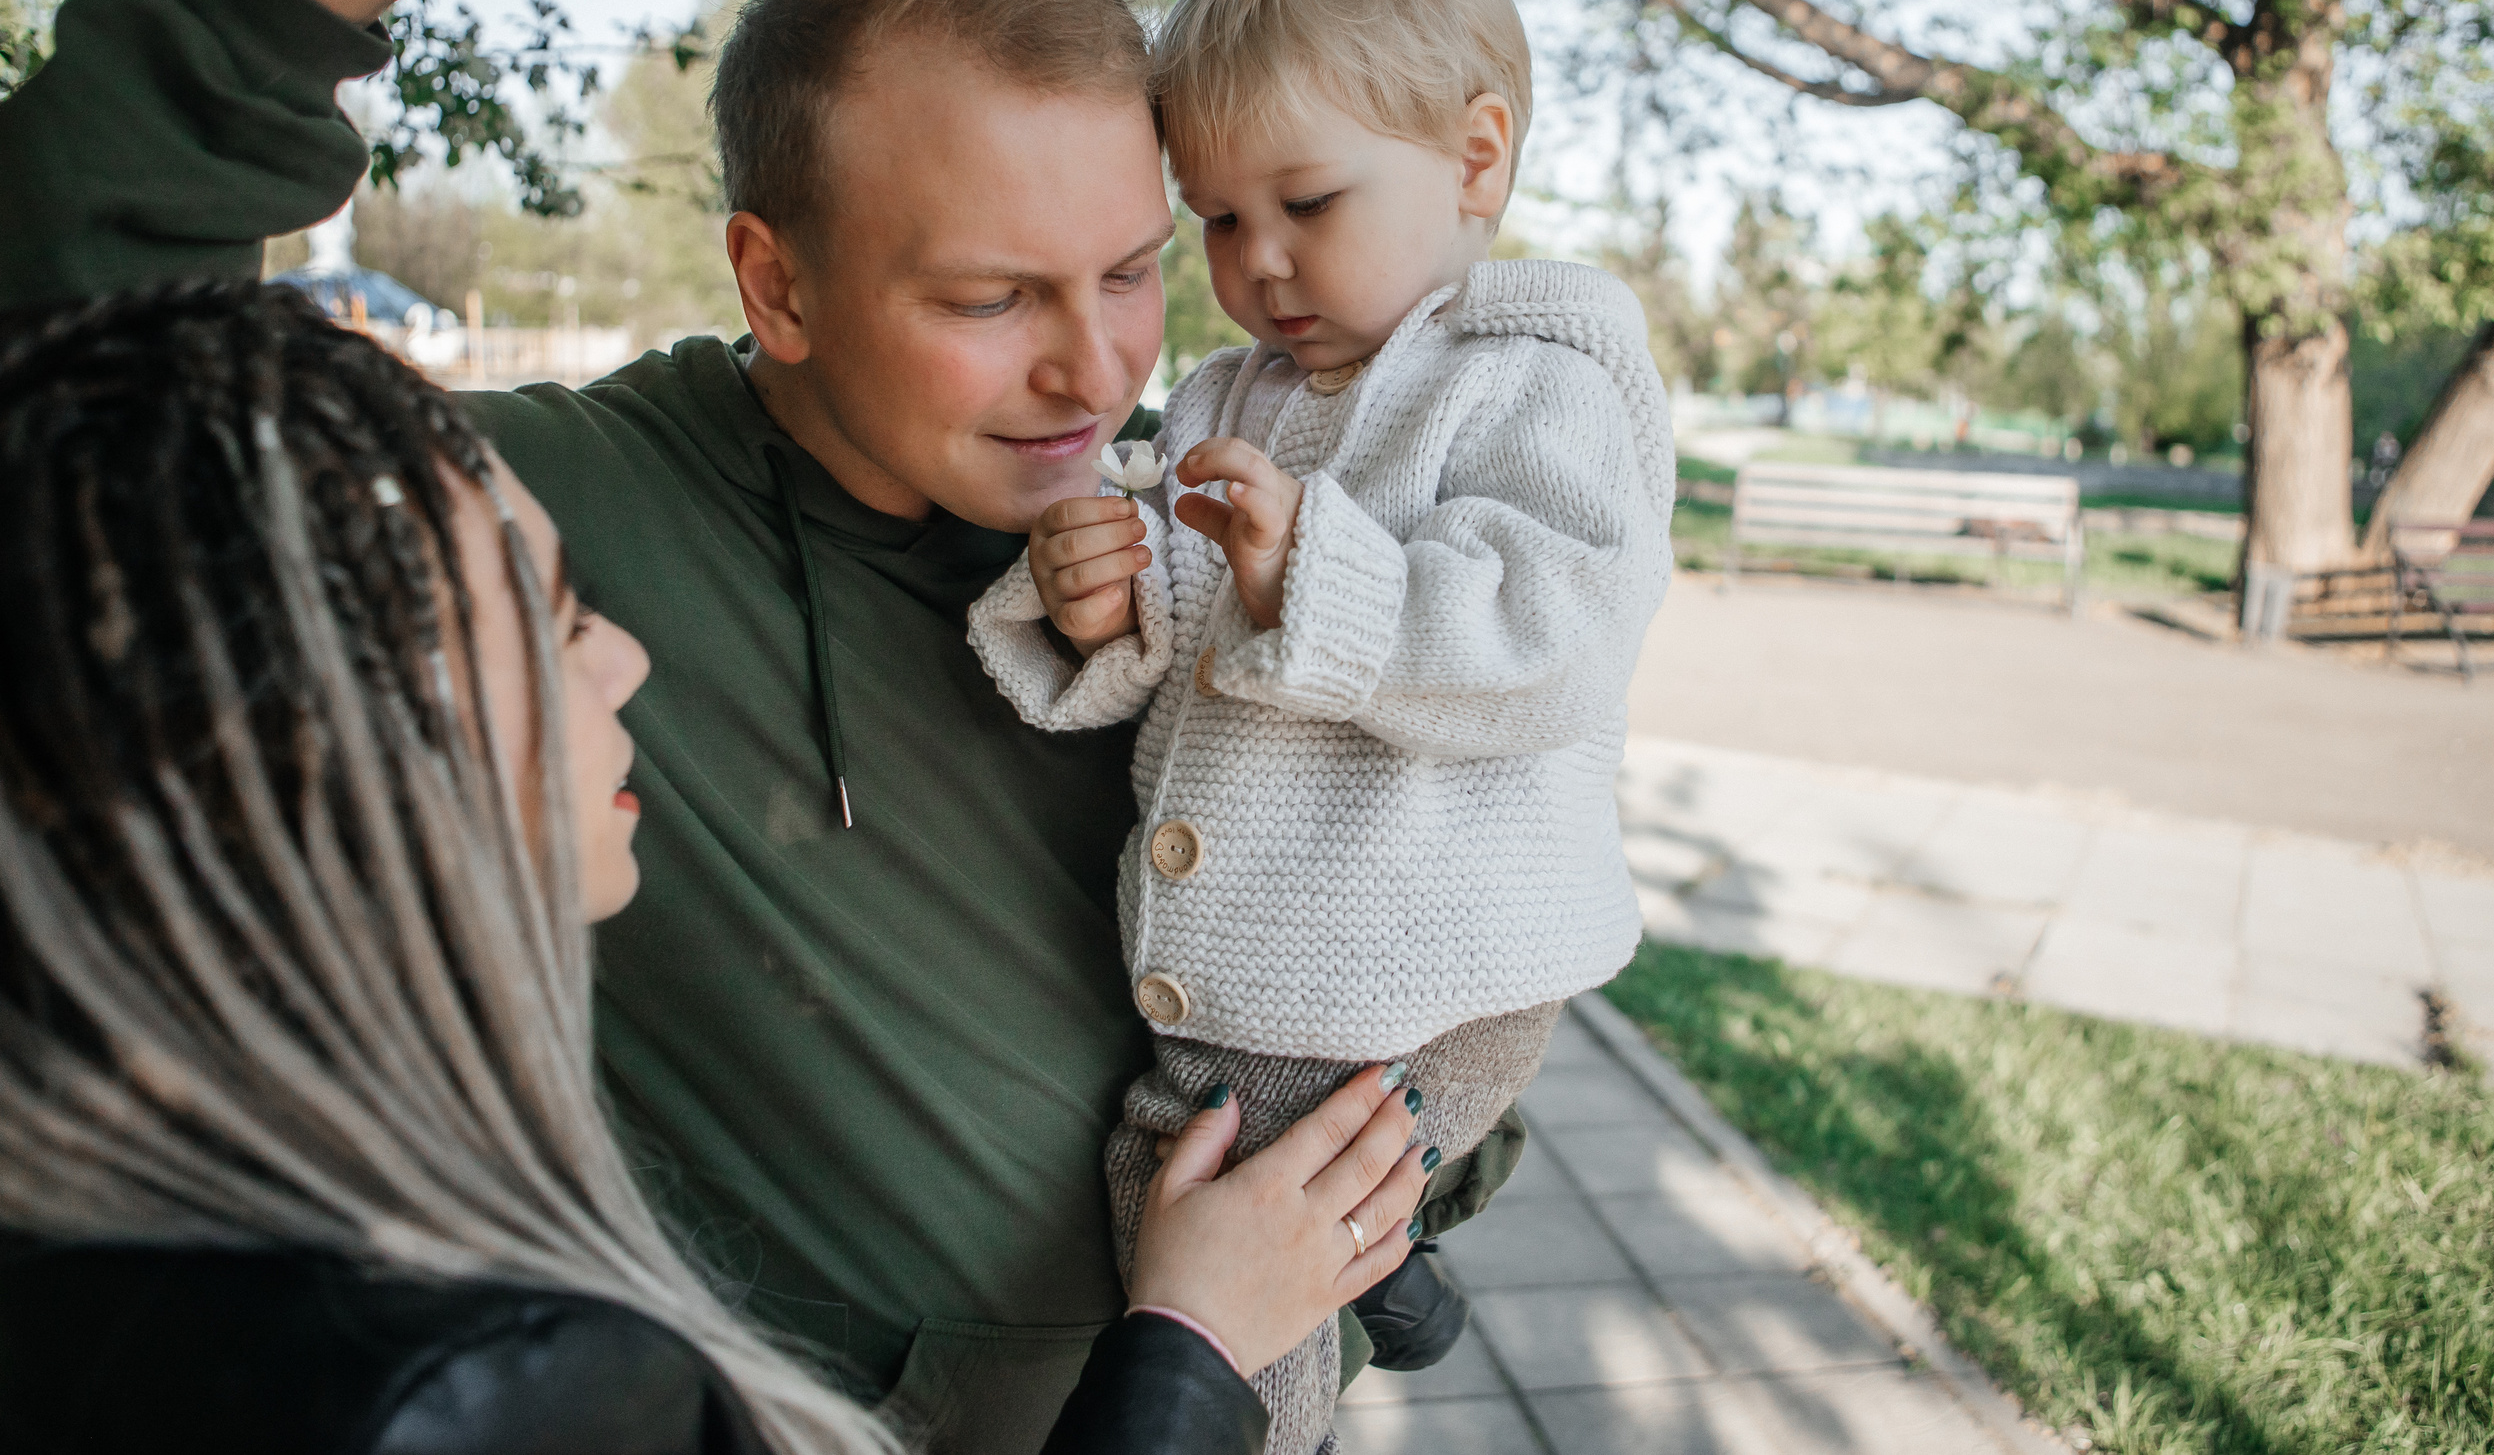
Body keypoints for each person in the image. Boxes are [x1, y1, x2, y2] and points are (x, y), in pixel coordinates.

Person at [0, 0, 1526, 1443]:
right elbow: (79, 438)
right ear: (775, 282)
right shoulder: (540, 532)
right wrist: (281, 13)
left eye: (1126, 272)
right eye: (990, 296)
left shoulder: (1200, 523)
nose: (1094, 371)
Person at [0, 279, 1432, 1453]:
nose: (620, 656)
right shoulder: (483, 1388)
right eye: (556, 625)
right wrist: (1192, 1352)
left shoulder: (165, 1230)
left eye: (1130, 268)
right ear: (334, 737)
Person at [968, 0, 1673, 1453]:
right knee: (1249, 1174)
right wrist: (1102, 604)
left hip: (1417, 960)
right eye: (1217, 219)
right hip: (1327, 959)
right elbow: (1187, 618)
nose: (1260, 261)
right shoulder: (1235, 388)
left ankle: (1267, 1413)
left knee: (1196, 1189)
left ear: (1476, 158)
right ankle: (1395, 1275)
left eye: (1306, 200)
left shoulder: (1536, 378)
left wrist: (1319, 579)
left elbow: (1552, 633)